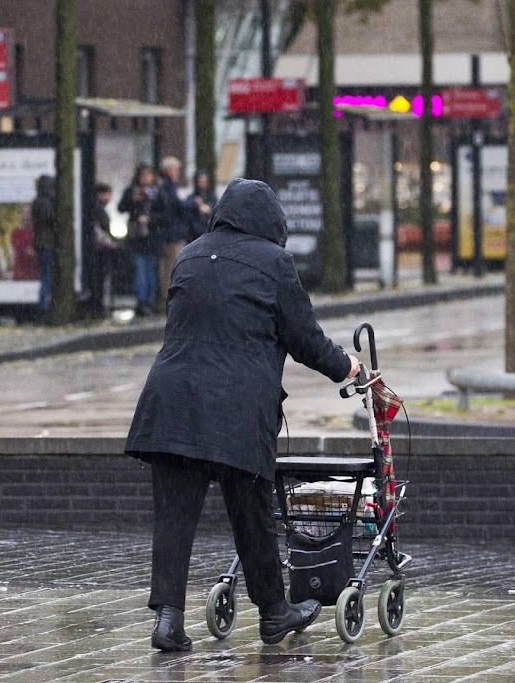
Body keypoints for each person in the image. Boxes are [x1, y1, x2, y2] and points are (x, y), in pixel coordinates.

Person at [125, 178, 361, 652]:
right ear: (273, 221)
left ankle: (168, 620)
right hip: (236, 407)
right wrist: (346, 366)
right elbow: (304, 339)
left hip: (172, 401)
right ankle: (274, 613)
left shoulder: (191, 254)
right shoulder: (274, 263)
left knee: (173, 515)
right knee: (251, 512)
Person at [118, 165, 159, 317]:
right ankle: (142, 301)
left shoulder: (157, 192)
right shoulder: (132, 191)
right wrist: (133, 201)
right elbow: (121, 207)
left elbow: (165, 212)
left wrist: (151, 219)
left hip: (152, 237)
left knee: (150, 271)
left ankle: (150, 300)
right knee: (140, 270)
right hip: (137, 237)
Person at [149, 156, 189, 313]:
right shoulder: (168, 187)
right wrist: (192, 204)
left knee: (167, 267)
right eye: (175, 169)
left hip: (168, 233)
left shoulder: (163, 187)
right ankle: (167, 300)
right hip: (172, 235)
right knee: (171, 268)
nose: (178, 172)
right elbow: (174, 206)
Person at [85, 182, 117, 319]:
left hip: (98, 250)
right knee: (99, 279)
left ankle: (96, 306)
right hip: (100, 251)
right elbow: (101, 231)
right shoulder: (99, 210)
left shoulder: (95, 208)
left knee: (98, 279)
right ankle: (97, 306)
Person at [30, 174, 56, 316]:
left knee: (46, 274)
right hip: (47, 243)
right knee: (47, 275)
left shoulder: (38, 201)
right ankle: (43, 305)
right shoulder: (45, 202)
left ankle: (44, 304)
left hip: (42, 243)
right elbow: (52, 219)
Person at [184, 169, 217, 242]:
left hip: (207, 233)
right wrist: (195, 204)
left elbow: (216, 209)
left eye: (204, 182)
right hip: (193, 234)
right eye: (201, 182)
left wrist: (209, 209)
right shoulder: (192, 197)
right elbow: (185, 208)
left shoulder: (211, 197)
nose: (203, 184)